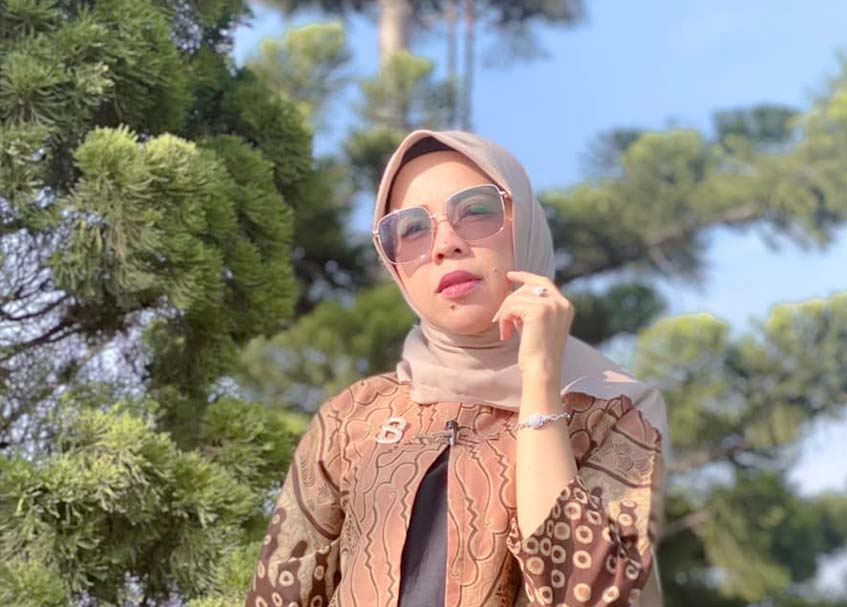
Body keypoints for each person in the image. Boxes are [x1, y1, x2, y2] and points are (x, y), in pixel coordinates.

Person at [244, 129, 670, 607]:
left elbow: (589, 596)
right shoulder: (351, 417)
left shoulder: (616, 410)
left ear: (525, 224)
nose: (445, 244)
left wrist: (539, 380)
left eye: (476, 211)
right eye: (411, 230)